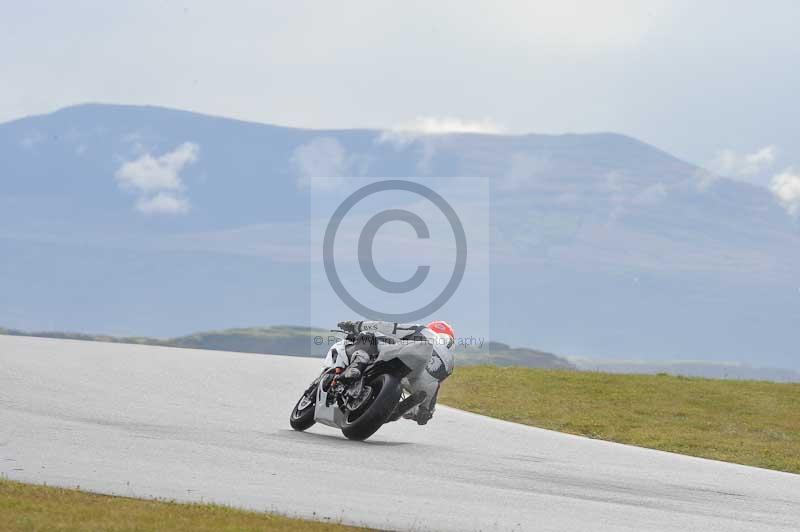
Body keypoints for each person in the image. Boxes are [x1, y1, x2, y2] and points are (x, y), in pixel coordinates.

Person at [327, 319, 455, 425]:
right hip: (420, 381)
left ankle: (356, 366)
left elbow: (389, 327)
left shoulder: (423, 330)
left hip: (405, 354)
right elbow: (435, 387)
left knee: (368, 335)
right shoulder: (450, 363)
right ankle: (397, 410)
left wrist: (356, 325)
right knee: (419, 403)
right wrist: (426, 411)